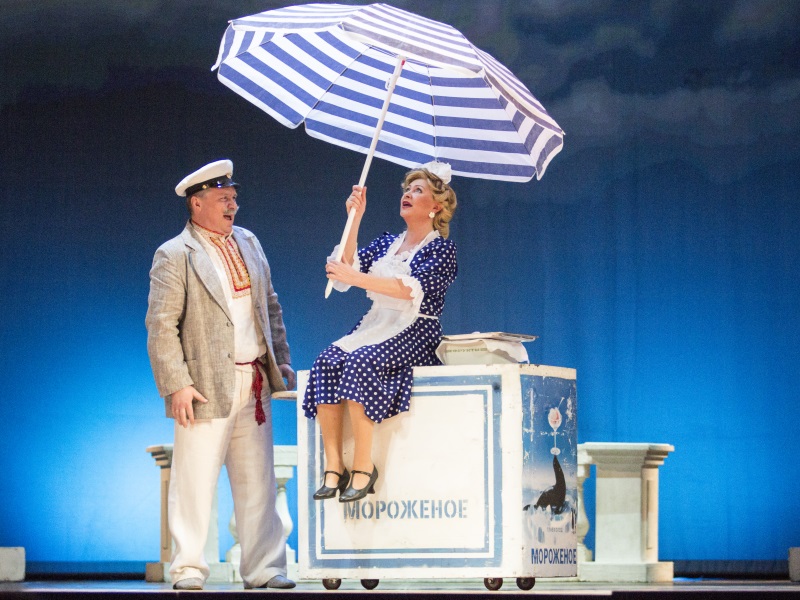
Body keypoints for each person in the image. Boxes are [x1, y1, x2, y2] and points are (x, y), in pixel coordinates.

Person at [145, 159, 296, 591]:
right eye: (222, 198)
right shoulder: (175, 254)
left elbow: (269, 306)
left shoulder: (248, 241)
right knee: (194, 480)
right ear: (197, 203)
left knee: (257, 481)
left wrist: (280, 359)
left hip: (254, 381)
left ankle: (264, 568)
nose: (232, 205)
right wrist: (177, 383)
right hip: (205, 385)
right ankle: (189, 568)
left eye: (233, 197)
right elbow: (161, 325)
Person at [302, 161, 458, 502]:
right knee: (327, 361)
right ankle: (333, 465)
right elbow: (347, 265)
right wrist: (354, 217)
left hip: (416, 329)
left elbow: (407, 290)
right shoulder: (388, 242)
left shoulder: (441, 249)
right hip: (377, 323)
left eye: (419, 190)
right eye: (407, 188)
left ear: (435, 206)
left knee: (361, 361)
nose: (408, 194)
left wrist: (356, 278)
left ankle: (363, 465)